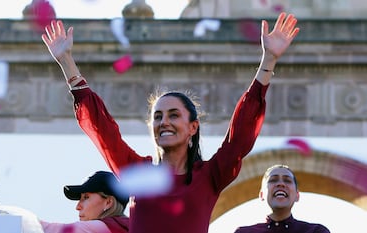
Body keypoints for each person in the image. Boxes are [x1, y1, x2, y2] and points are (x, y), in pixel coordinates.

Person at [41, 12, 299, 233]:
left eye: (174, 115)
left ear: (193, 128)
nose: (164, 122)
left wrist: (269, 61)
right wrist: (67, 62)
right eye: (157, 116)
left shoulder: (209, 176)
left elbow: (240, 135)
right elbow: (102, 131)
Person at [234, 164, 330, 233]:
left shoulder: (316, 231)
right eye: (273, 180)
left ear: (297, 195)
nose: (280, 184)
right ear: (262, 195)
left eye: (287, 180)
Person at [40, 171, 129, 233]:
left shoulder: (100, 228)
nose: (78, 207)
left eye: (86, 197)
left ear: (108, 202)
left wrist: (26, 221)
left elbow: (43, 229)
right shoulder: (130, 226)